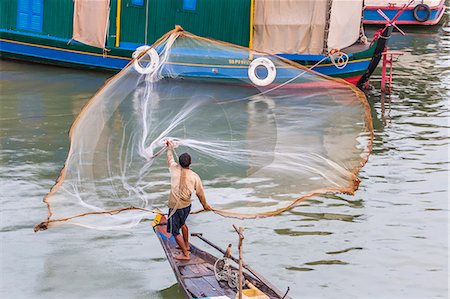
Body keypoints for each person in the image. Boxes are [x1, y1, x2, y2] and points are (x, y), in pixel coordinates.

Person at [165, 139, 212, 260]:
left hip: (175, 207)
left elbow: (170, 158)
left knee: (175, 232)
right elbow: (200, 193)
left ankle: (186, 254)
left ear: (179, 163)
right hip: (186, 207)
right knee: (183, 224)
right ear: (190, 163)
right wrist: (205, 205)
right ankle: (186, 246)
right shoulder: (195, 176)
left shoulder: (174, 168)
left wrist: (169, 147)